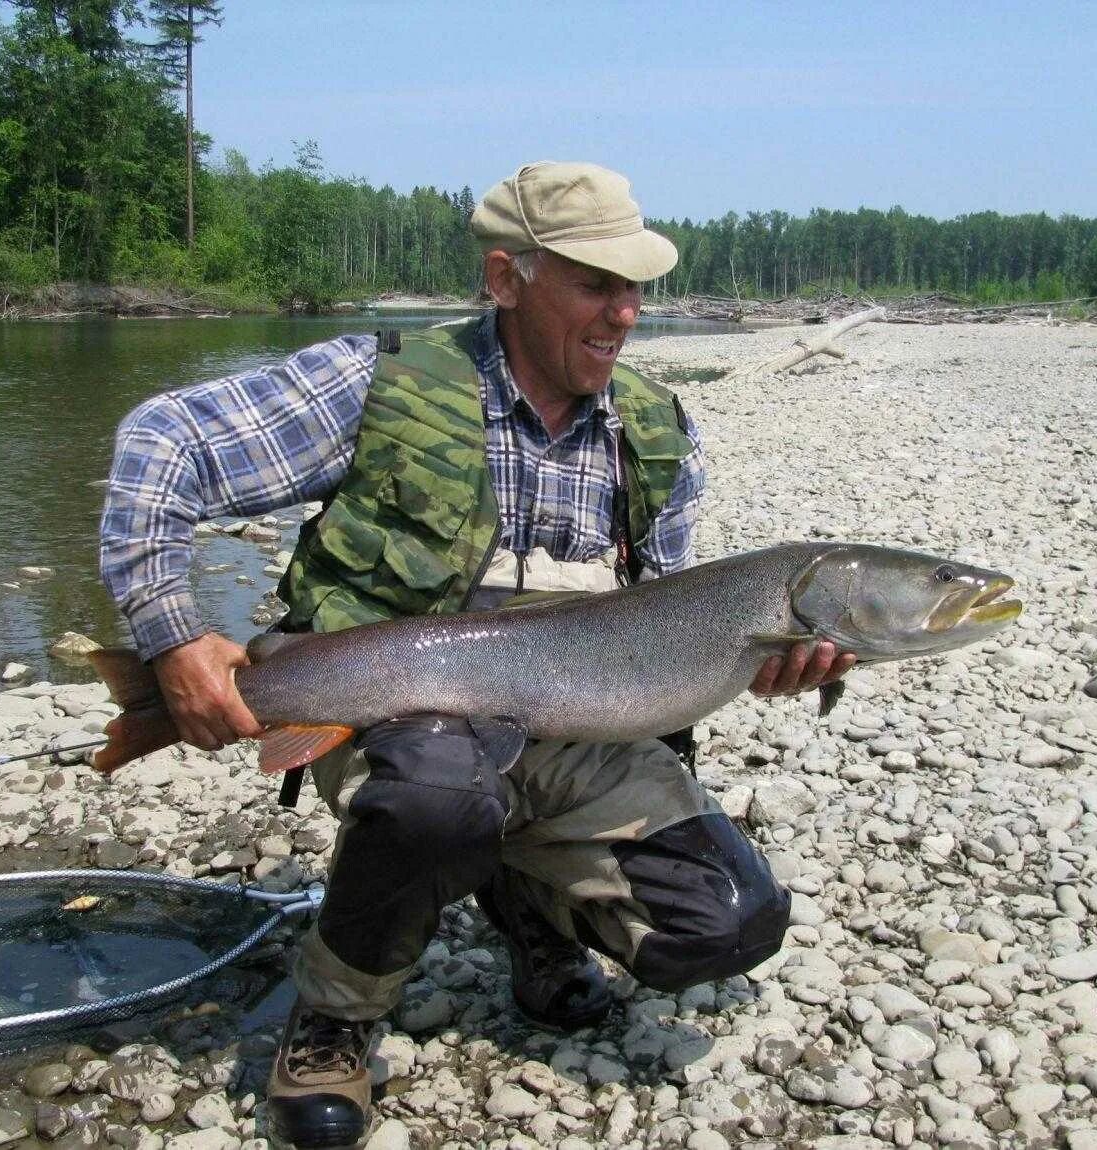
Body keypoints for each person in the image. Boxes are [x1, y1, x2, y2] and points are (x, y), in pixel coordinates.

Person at [101, 161, 854, 1150]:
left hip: (563, 723)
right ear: (506, 279)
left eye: (636, 288)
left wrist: (762, 665)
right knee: (438, 795)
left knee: (725, 923)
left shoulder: (657, 433)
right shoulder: (375, 382)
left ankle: (527, 899)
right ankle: (336, 1013)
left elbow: (662, 633)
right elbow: (164, 441)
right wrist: (170, 635)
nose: (625, 313)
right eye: (595, 284)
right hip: (391, 713)